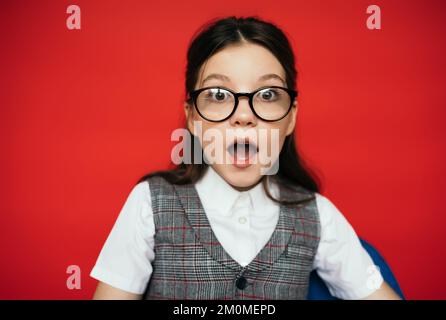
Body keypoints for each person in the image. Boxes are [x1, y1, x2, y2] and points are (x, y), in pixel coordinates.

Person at [90, 16, 401, 300]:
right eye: (218, 94)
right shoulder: (150, 202)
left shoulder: (317, 214)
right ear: (192, 119)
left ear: (290, 118)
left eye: (267, 95)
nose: (242, 116)